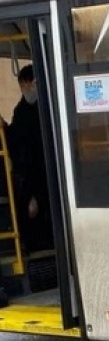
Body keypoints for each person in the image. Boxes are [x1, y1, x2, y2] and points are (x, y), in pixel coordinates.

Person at [1, 64, 53, 254]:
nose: (33, 88)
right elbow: (18, 145)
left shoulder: (49, 106)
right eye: (32, 83)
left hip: (49, 173)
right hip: (33, 178)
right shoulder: (21, 111)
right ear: (24, 84)